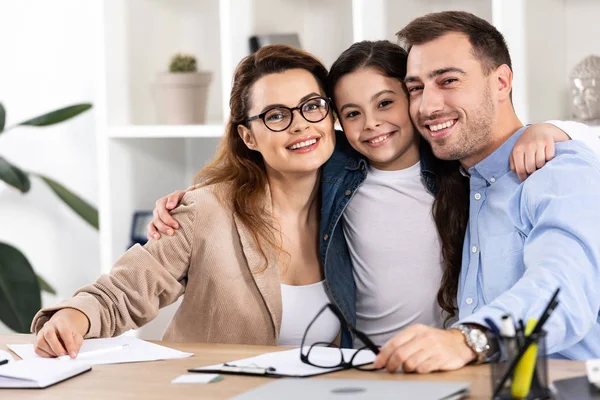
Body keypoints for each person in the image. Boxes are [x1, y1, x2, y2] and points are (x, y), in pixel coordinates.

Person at [147, 41, 594, 350]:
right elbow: (271, 158)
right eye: (352, 113)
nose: (371, 124)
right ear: (337, 120)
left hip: (449, 354)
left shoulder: (455, 167)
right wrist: (195, 195)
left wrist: (558, 129)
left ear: (413, 98)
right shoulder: (335, 164)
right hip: (361, 359)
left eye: (386, 103)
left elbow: (497, 142)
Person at [31, 45, 342, 358]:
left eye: (312, 106)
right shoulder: (206, 210)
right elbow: (123, 292)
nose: (300, 124)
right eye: (276, 115)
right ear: (248, 137)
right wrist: (72, 318)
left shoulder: (357, 205)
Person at [374, 11, 600, 374]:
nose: (427, 106)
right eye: (416, 88)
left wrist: (469, 338)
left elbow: (564, 289)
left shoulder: (559, 169)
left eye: (448, 80)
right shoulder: (462, 182)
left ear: (501, 82)